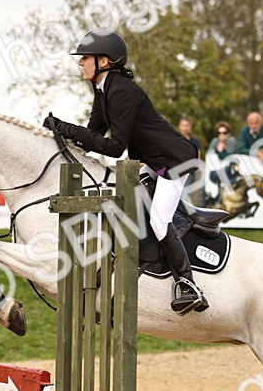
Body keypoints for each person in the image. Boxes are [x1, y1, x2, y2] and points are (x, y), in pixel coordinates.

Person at [43, 30, 207, 315]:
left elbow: (114, 147)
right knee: (132, 205)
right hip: (154, 161)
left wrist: (68, 128)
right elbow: (93, 133)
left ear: (104, 61)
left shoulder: (121, 91)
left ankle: (188, 284)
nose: (80, 63)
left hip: (174, 161)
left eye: (85, 58)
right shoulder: (104, 90)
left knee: (158, 221)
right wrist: (63, 134)